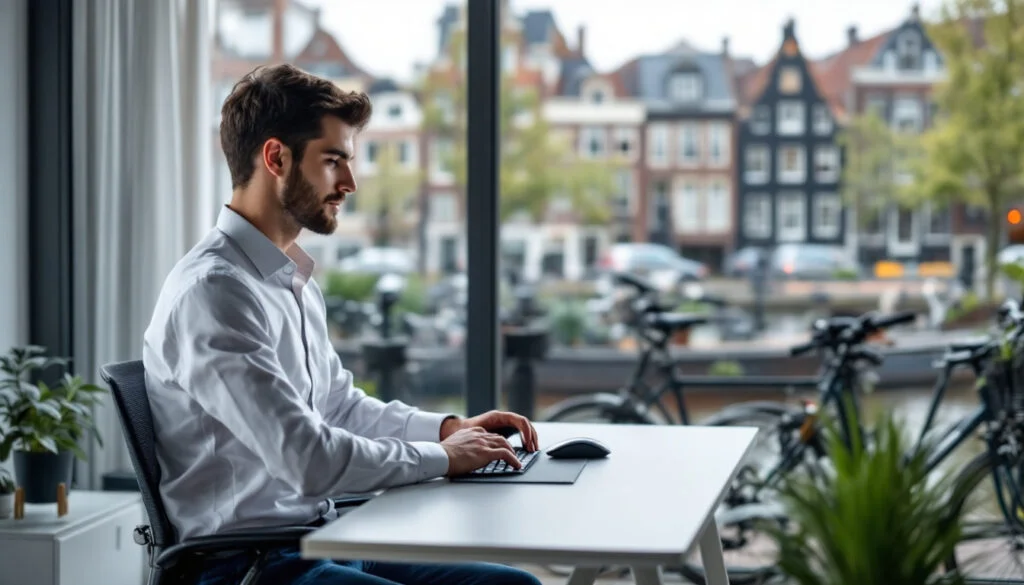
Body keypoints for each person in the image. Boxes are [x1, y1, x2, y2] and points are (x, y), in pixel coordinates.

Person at [142, 63, 543, 585]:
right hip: (245, 566)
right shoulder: (214, 292)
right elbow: (308, 460)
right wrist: (443, 457)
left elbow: (338, 406)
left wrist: (450, 429)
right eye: (334, 161)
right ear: (276, 157)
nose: (350, 183)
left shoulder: (291, 279)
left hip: (320, 538)